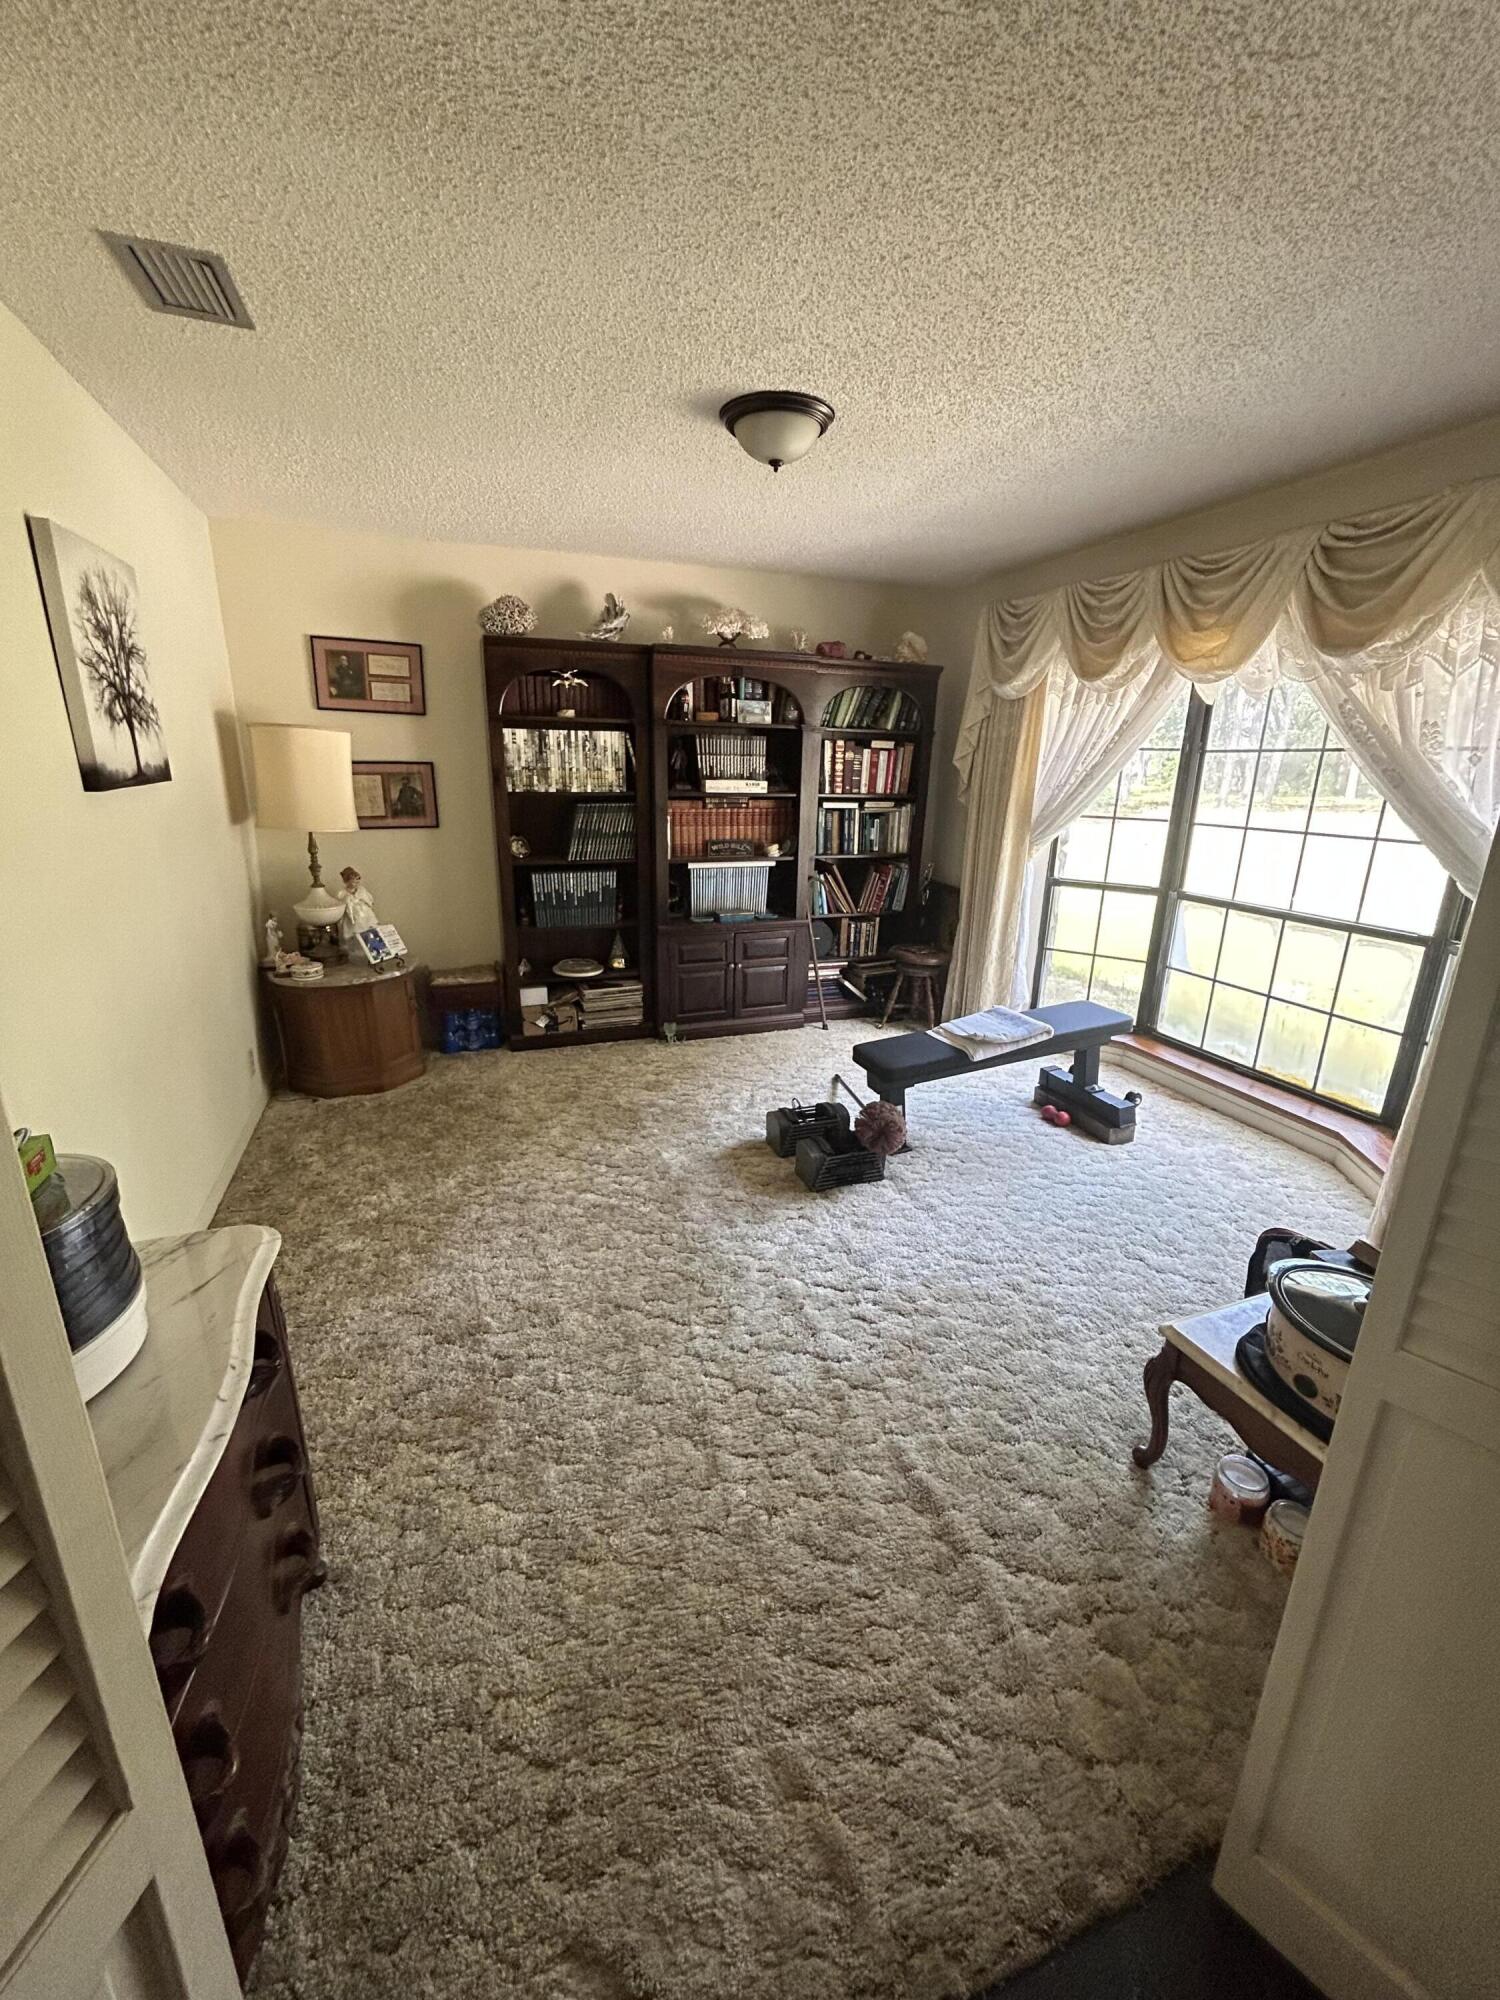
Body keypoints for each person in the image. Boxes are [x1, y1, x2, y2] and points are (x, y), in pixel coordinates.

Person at [338, 867, 378, 958]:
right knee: (353, 933)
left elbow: (370, 900)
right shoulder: (342, 893)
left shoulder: (362, 891)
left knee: (368, 929)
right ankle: (355, 951)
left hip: (364, 913)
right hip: (351, 916)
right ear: (347, 881)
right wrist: (349, 900)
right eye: (353, 881)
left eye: (357, 881)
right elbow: (341, 904)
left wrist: (361, 898)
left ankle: (371, 950)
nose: (356, 884)